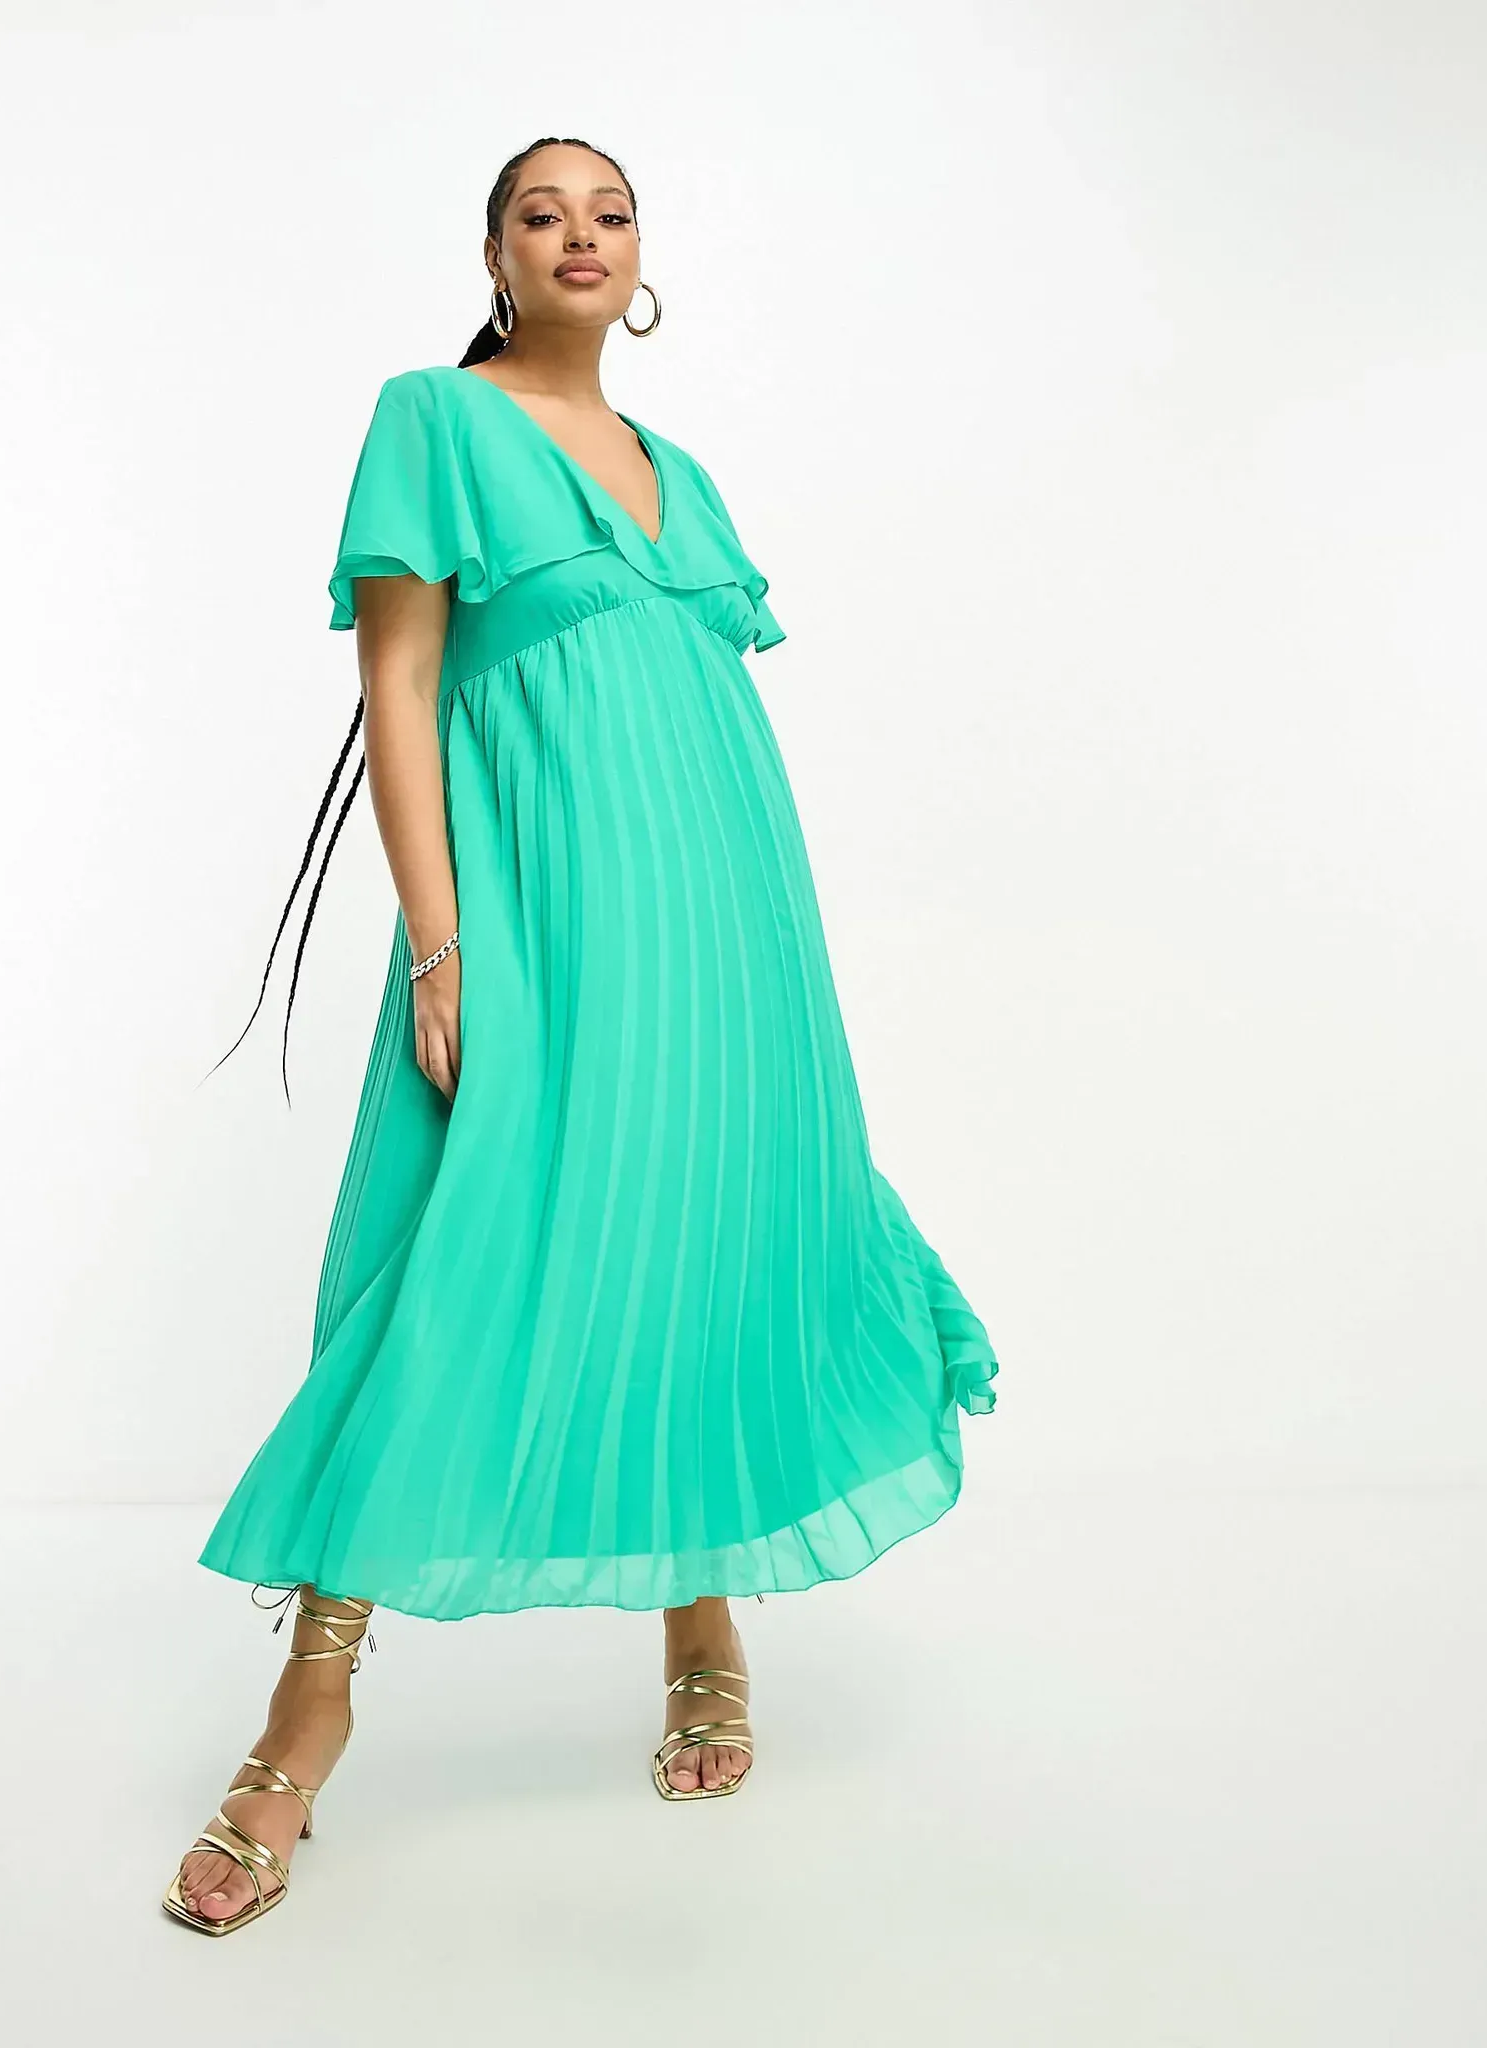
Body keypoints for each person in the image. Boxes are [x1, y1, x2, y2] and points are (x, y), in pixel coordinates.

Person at [164, 133, 999, 1938]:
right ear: (495, 254)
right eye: (541, 213)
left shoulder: (683, 475)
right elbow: (399, 683)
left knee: (715, 1243)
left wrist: (770, 954)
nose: (581, 236)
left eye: (611, 213)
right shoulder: (436, 421)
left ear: (644, 258)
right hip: (542, 920)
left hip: (735, 930)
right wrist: (441, 946)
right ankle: (307, 1713)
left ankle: (703, 1623)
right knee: (455, 1263)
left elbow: (697, 717)